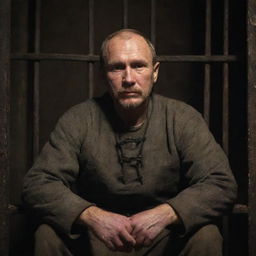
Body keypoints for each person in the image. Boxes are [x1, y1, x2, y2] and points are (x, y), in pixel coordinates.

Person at [22, 29, 237, 256]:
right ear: (103, 75)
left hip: (161, 239)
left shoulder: (181, 118)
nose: (129, 79)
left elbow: (221, 183)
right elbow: (37, 184)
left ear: (154, 72)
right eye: (117, 67)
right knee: (47, 234)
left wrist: (166, 214)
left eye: (138, 66)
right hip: (97, 240)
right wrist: (93, 217)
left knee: (207, 235)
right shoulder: (79, 119)